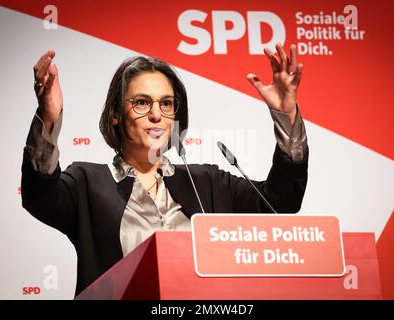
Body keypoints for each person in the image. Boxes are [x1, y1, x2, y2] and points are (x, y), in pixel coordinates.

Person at [22, 44, 308, 296]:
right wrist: (48, 118)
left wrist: (287, 116)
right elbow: (39, 196)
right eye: (142, 102)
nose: (157, 114)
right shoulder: (86, 182)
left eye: (166, 103)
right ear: (117, 116)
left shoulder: (208, 182)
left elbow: (280, 201)